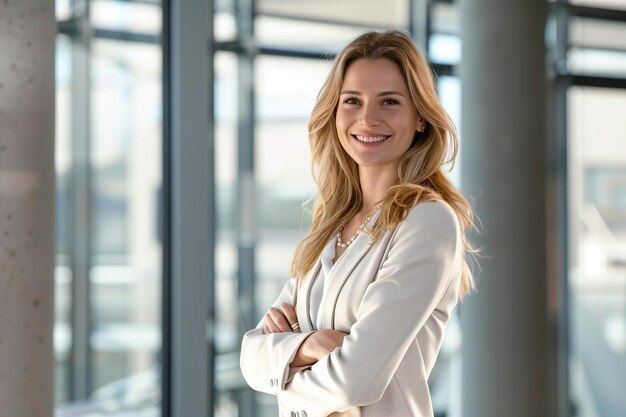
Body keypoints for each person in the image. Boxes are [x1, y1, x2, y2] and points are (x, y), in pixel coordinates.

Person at [240, 30, 476, 417]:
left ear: (419, 118)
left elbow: (355, 381)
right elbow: (250, 357)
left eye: (390, 102)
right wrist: (312, 345)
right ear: (335, 112)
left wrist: (283, 369)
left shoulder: (428, 221)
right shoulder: (330, 225)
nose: (368, 118)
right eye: (352, 101)